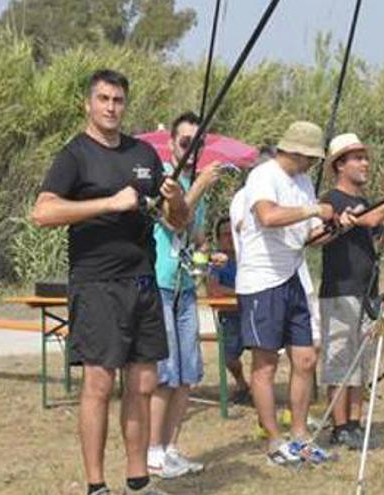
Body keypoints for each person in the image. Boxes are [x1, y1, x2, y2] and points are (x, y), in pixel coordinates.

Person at [32, 69, 188, 495]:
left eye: (118, 100)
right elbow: (42, 213)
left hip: (142, 281)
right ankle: (96, 486)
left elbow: (178, 222)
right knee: (99, 385)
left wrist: (176, 201)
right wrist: (109, 203)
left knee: (141, 384)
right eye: (103, 99)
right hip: (97, 283)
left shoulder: (143, 153)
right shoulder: (75, 155)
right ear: (88, 103)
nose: (111, 107)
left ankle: (138, 481)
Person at [235, 121, 349, 466]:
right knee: (265, 365)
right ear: (298, 152)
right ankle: (273, 441)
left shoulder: (302, 183)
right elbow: (267, 216)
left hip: (293, 278)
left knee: (305, 358)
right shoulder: (263, 176)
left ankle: (300, 436)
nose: (314, 165)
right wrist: (314, 210)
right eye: (312, 158)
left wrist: (336, 228)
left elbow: (310, 237)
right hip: (261, 282)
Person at [318, 133, 384, 449]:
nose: (365, 163)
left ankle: (355, 424)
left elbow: (375, 230)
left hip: (367, 292)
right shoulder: (331, 199)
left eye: (365, 157)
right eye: (357, 158)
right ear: (339, 166)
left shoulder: (362, 200)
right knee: (340, 362)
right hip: (340, 290)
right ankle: (339, 427)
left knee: (361, 362)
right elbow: (373, 217)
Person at [146, 111, 220, 479]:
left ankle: (171, 447)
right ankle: (153, 451)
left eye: (198, 143)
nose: (191, 149)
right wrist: (202, 184)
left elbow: (195, 232)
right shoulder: (165, 179)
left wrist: (209, 252)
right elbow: (174, 218)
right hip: (158, 283)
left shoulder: (194, 182)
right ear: (172, 142)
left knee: (188, 370)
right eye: (185, 141)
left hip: (186, 286)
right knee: (165, 372)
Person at [206, 216, 251, 404]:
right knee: (229, 357)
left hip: (253, 313)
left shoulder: (249, 257)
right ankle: (242, 385)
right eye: (224, 235)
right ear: (218, 238)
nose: (229, 238)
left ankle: (260, 390)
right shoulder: (216, 263)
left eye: (232, 234)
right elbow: (213, 289)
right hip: (230, 316)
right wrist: (243, 291)